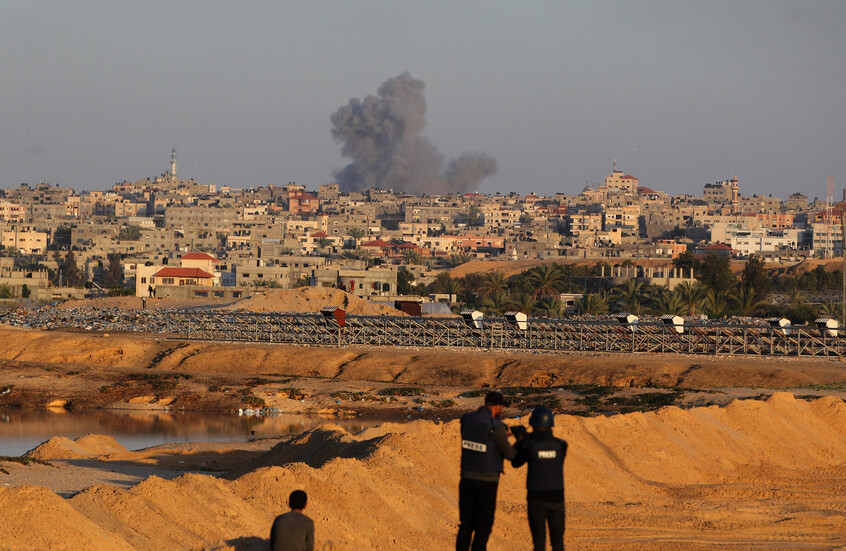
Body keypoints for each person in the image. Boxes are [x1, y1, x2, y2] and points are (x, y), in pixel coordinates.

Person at [456, 391, 517, 551]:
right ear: (497, 407)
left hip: (467, 478)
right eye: (502, 407)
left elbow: (475, 433)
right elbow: (510, 455)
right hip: (487, 482)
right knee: (483, 525)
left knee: (466, 524)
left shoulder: (467, 420)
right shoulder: (495, 427)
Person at [511, 406, 567, 551]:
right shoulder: (561, 445)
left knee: (539, 542)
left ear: (533, 423)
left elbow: (515, 462)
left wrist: (520, 440)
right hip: (557, 497)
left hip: (536, 497)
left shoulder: (529, 445)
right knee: (558, 542)